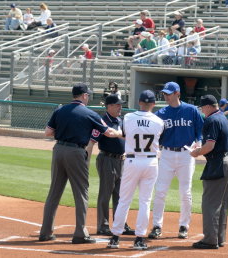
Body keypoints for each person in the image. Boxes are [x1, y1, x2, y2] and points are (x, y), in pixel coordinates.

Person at [39, 83, 118, 244]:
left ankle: (45, 232)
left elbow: (48, 133)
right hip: (76, 152)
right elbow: (108, 133)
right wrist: (122, 133)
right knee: (81, 192)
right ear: (84, 96)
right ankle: (80, 233)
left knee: (54, 191)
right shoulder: (90, 113)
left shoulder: (60, 110)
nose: (88, 97)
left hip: (58, 150)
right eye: (87, 95)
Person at [107, 90, 164, 250]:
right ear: (153, 104)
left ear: (139, 102)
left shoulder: (128, 117)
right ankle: (139, 238)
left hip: (132, 160)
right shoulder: (159, 121)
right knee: (145, 201)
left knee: (124, 199)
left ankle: (115, 237)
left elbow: (126, 134)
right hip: (151, 162)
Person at [148, 81, 204, 240]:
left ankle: (183, 226)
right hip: (166, 154)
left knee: (185, 192)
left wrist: (199, 142)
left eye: (168, 93)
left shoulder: (191, 110)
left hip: (186, 155)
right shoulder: (161, 113)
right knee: (160, 191)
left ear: (177, 93)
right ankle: (157, 226)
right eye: (164, 93)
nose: (165, 96)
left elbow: (200, 130)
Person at [189, 94, 228, 249]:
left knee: (210, 203)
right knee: (223, 203)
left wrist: (197, 152)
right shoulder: (222, 117)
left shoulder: (211, 120)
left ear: (208, 106)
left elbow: (209, 146)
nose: (202, 110)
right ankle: (219, 238)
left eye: (202, 107)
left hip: (218, 162)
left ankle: (210, 240)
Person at [86, 94, 135, 237]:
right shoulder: (101, 121)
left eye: (121, 104)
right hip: (107, 159)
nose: (121, 107)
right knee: (105, 194)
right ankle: (103, 225)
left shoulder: (120, 120)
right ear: (109, 106)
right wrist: (86, 162)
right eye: (117, 105)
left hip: (122, 161)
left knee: (121, 195)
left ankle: (121, 224)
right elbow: (91, 142)